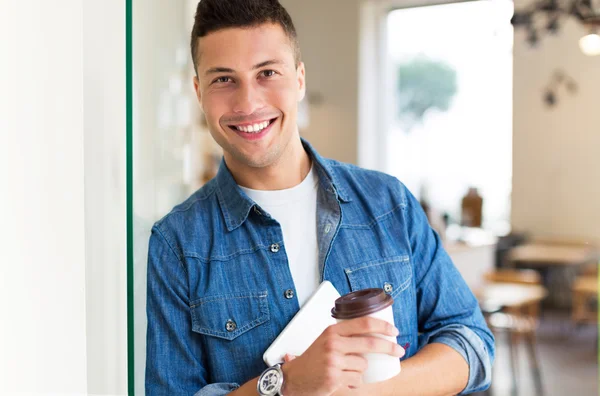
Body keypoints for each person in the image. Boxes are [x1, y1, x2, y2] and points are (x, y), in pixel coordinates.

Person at [145, 0, 495, 395]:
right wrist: (286, 385)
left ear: (299, 79)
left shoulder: (389, 203)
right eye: (223, 79)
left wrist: (360, 391)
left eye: (267, 73)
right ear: (198, 91)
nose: (247, 103)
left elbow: (472, 344)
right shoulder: (176, 243)